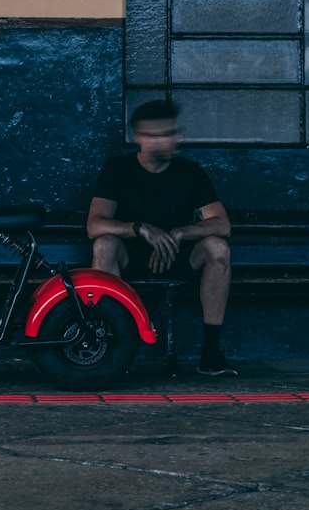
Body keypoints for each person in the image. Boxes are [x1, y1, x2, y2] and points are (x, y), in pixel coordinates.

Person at [87, 99, 236, 376]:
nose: (167, 140)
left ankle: (211, 353)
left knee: (218, 247)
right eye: (158, 135)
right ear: (140, 137)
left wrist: (180, 232)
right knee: (104, 244)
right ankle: (114, 348)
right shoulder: (118, 168)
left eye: (171, 133)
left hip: (177, 256)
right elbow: (95, 225)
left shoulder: (190, 171)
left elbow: (222, 224)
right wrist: (139, 228)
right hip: (131, 258)